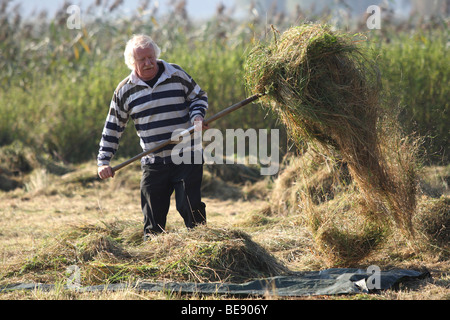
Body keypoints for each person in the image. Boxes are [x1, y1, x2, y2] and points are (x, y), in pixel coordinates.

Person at [97, 34, 208, 239]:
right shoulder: (124, 91)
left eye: (151, 57)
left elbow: (198, 97)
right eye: (142, 60)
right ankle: (154, 256)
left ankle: (202, 245)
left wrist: (197, 117)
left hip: (186, 155)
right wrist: (104, 161)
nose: (148, 63)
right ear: (133, 63)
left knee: (190, 207)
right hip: (154, 160)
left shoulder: (176, 74)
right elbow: (113, 126)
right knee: (153, 218)